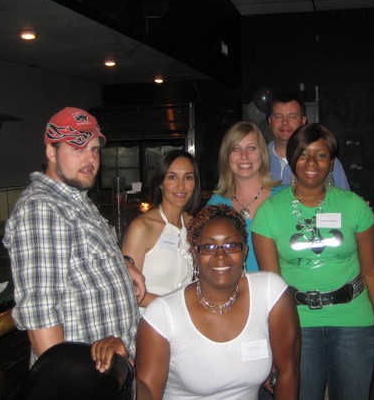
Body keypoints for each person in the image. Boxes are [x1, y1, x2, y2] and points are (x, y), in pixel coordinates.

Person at [91, 204, 301, 400]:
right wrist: (123, 368)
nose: (220, 255)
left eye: (230, 245)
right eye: (208, 246)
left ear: (244, 251)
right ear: (194, 254)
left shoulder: (270, 292)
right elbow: (149, 393)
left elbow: (288, 372)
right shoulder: (163, 314)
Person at [252, 123, 374, 399]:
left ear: (331, 163)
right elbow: (271, 290)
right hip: (298, 324)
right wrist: (273, 345)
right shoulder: (268, 213)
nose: (311, 163)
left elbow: (372, 272)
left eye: (321, 155)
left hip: (354, 321)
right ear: (292, 159)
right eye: (303, 154)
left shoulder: (355, 206)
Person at [3, 107, 144, 364]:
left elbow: (82, 254)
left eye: (94, 150)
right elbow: (40, 314)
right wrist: (69, 380)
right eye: (78, 148)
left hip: (111, 367)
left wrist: (123, 264)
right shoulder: (42, 208)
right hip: (86, 374)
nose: (90, 159)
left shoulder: (75, 199)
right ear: (51, 152)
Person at [122, 150, 201, 313]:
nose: (181, 186)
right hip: (148, 320)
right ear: (160, 182)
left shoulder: (192, 225)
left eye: (188, 177)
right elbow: (128, 290)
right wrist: (178, 307)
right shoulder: (142, 227)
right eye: (172, 177)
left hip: (181, 320)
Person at [207, 121, 284, 272]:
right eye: (236, 149)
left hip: (280, 285)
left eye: (251, 148)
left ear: (262, 153)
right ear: (226, 156)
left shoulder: (284, 197)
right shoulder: (215, 204)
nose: (244, 156)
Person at [268, 92, 350, 190]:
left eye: (292, 117)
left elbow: (343, 197)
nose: (285, 122)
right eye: (278, 117)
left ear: (303, 121)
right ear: (270, 121)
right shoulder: (257, 159)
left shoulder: (325, 160)